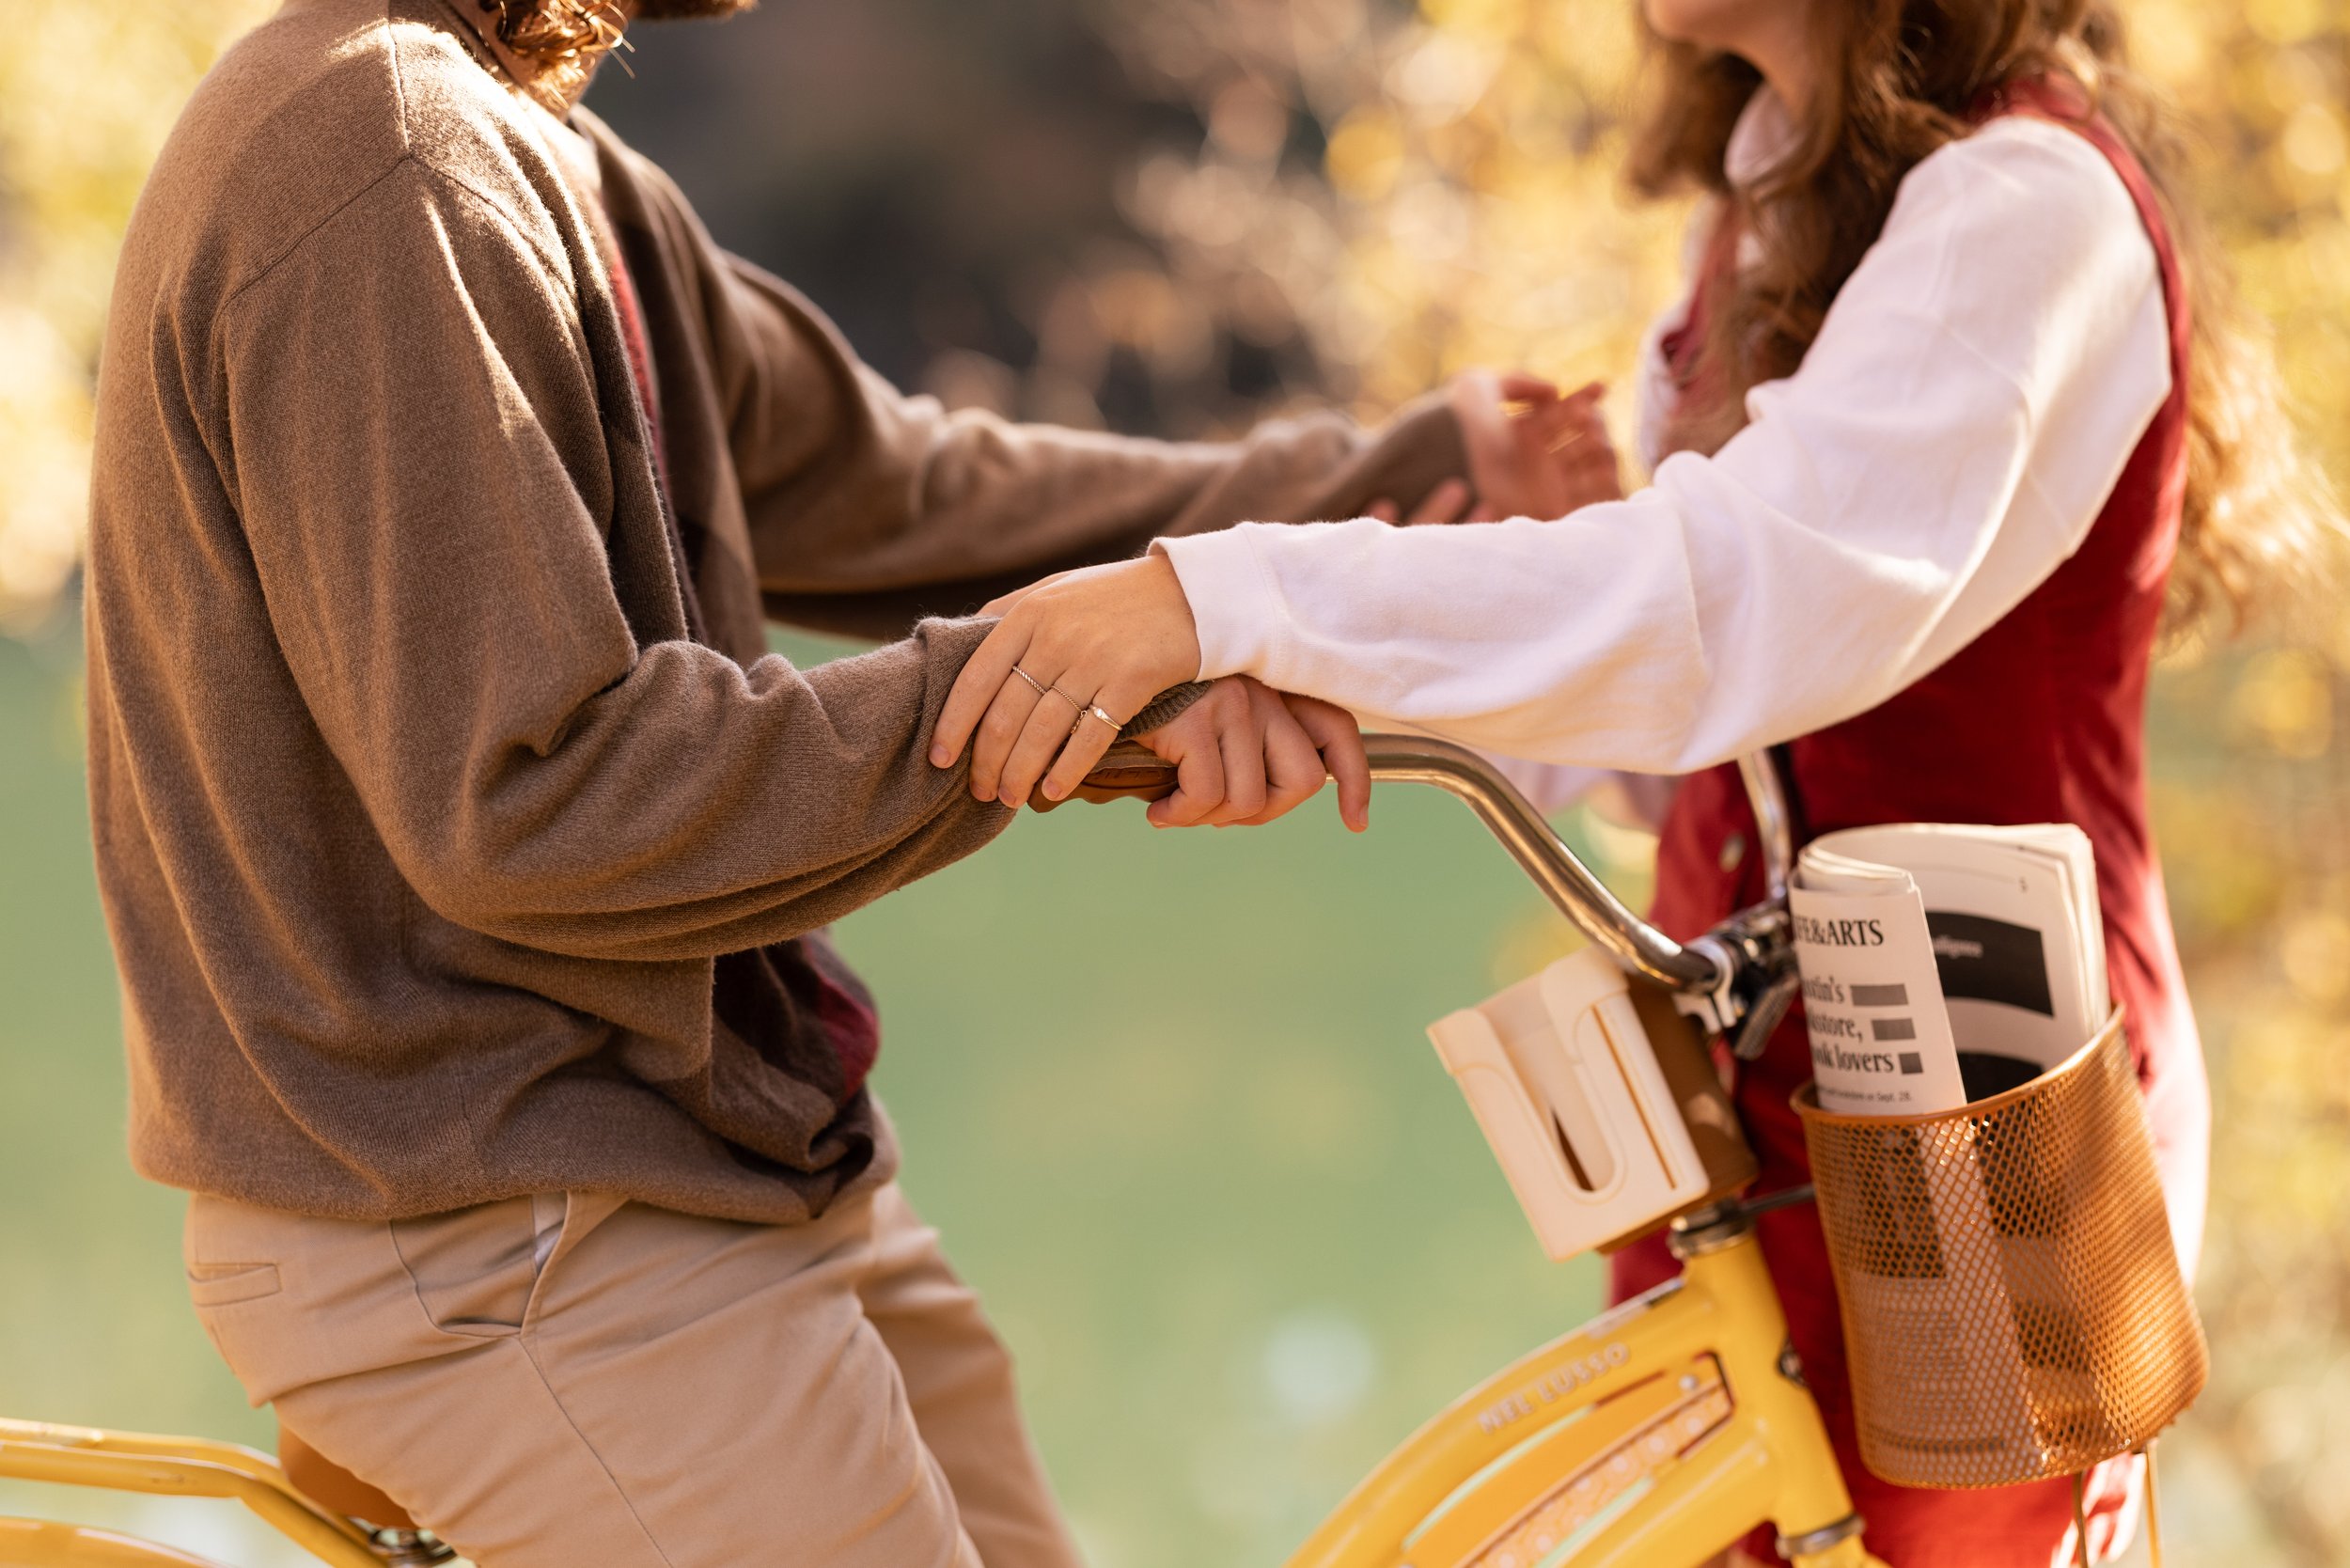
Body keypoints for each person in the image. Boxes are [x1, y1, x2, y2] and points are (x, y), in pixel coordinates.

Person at [86, 1, 1554, 1563]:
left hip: (698, 1152)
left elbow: (905, 490)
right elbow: (536, 799)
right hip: (497, 1219)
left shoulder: (549, 157)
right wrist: (1080, 697)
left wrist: (1343, 517)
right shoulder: (389, 160)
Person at [935, 1, 2339, 1562]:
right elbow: (1676, 754)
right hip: (1753, 1113)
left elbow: (1750, 606)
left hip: (1982, 1102)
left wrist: (1235, 597)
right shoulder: (1769, 201)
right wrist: (1300, 674)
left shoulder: (2031, 208)